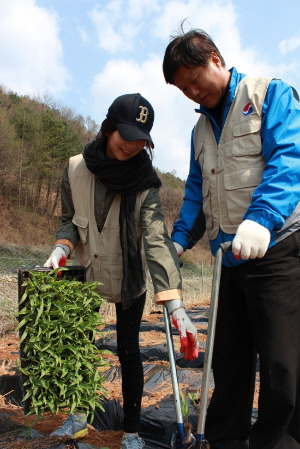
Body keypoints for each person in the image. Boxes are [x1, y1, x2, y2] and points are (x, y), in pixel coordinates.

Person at [162, 28, 300, 449]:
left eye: (193, 80)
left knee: (282, 367)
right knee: (228, 363)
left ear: (216, 60)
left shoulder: (268, 95)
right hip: (228, 261)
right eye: (183, 89)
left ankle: (279, 442)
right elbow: (195, 191)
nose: (192, 93)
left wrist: (262, 219)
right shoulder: (200, 132)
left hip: (276, 252)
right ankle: (224, 440)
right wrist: (181, 239)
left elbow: (290, 156)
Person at [44, 93, 198, 449]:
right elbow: (69, 222)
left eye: (141, 139)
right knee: (80, 347)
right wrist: (60, 247)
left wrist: (175, 304)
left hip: (128, 276)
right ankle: (78, 418)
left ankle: (130, 432)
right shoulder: (74, 168)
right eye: (125, 135)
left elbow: (157, 242)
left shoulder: (146, 182)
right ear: (109, 128)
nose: (132, 145)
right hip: (83, 271)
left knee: (128, 351)